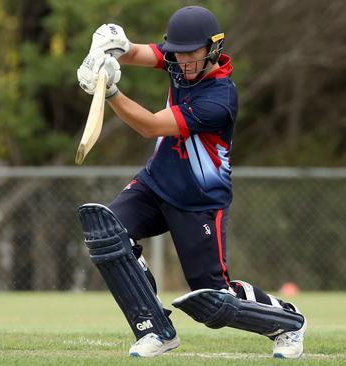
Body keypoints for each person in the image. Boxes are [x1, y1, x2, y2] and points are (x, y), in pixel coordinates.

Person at [76, 5, 307, 359]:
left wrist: (110, 93)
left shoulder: (219, 98)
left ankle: (287, 322)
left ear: (213, 48)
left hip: (199, 201)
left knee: (214, 299)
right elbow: (142, 52)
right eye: (177, 52)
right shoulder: (181, 61)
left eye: (191, 53)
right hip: (155, 183)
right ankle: (156, 330)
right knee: (108, 234)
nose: (182, 61)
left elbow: (150, 126)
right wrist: (113, 46)